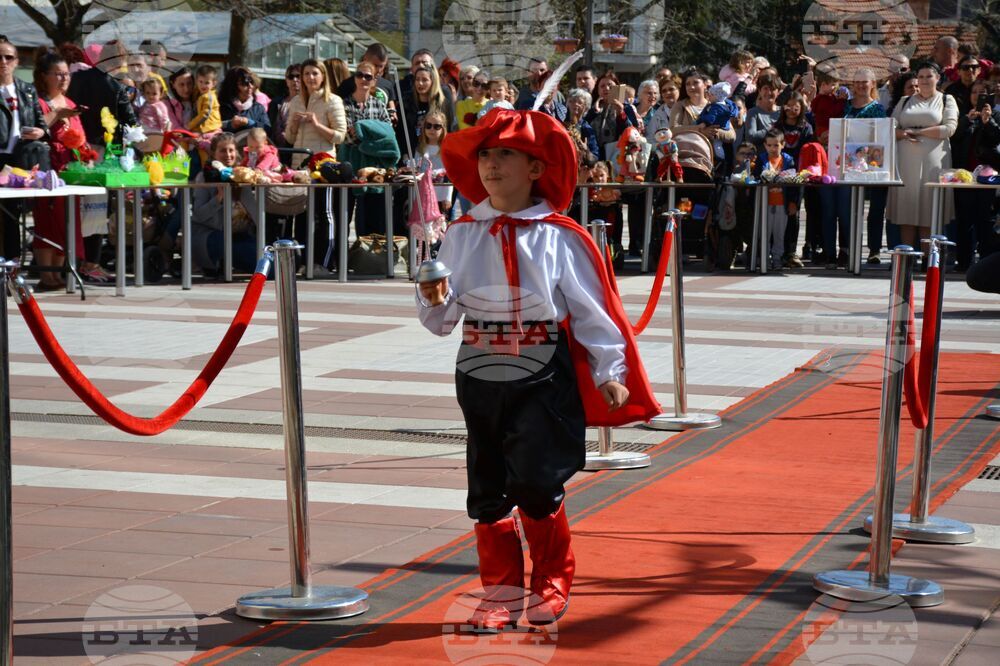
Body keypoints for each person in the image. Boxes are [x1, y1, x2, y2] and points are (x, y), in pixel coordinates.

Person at [419, 107, 659, 633]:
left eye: (505, 153)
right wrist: (433, 295)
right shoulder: (460, 234)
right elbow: (442, 321)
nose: (491, 164)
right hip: (478, 367)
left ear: (535, 168)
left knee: (536, 478)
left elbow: (594, 310)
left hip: (541, 369)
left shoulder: (559, 236)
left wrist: (608, 370)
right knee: (486, 485)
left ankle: (552, 579)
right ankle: (500, 593)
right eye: (484, 154)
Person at [285, 58, 347, 274]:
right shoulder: (295, 102)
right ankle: (304, 261)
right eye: (306, 74)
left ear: (322, 76)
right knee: (301, 216)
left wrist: (317, 124)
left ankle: (325, 262)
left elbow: (340, 135)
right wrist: (292, 124)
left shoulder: (333, 101)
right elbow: (289, 138)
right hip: (299, 166)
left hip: (323, 167)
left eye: (314, 73)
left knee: (324, 215)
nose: (310, 78)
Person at [891, 62, 958, 250]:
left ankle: (928, 258)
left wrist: (918, 132)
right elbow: (891, 127)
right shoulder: (904, 100)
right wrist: (903, 134)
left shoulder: (947, 100)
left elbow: (949, 128)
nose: (924, 80)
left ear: (937, 78)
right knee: (907, 208)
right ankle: (906, 256)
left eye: (929, 76)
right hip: (905, 162)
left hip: (934, 162)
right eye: (921, 77)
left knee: (930, 208)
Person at [0, 36, 48, 261]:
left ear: (17, 61)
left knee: (13, 214)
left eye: (8, 57)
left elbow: (42, 125)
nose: (3, 61)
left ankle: (12, 266)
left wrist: (40, 132)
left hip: (19, 162)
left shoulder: (27, 90)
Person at [189, 133, 259, 273]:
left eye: (231, 150)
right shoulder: (204, 177)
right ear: (214, 154)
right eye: (222, 150)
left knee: (269, 266)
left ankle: (233, 262)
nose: (228, 155)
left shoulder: (242, 176)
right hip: (212, 236)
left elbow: (255, 215)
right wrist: (218, 199)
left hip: (239, 236)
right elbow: (198, 215)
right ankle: (214, 263)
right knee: (227, 243)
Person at [952, 81, 999, 271]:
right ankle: (963, 262)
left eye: (982, 93)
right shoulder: (964, 116)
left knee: (985, 220)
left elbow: (997, 138)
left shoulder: (995, 116)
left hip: (988, 178)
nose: (977, 96)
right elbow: (953, 139)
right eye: (974, 92)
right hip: (965, 177)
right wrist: (966, 121)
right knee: (964, 220)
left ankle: (986, 262)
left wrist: (989, 122)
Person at [844, 67, 888, 265]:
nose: (861, 85)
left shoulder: (878, 108)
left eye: (865, 81)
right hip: (849, 164)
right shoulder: (845, 106)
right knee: (851, 209)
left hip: (874, 164)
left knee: (876, 209)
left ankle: (874, 249)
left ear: (873, 84)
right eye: (857, 81)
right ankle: (848, 248)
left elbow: (882, 137)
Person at [67, 39, 136, 150]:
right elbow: (131, 121)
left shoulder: (75, 78)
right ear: (120, 62)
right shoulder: (118, 88)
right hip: (107, 145)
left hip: (77, 140)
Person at [754, 128, 799, 270]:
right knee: (765, 232)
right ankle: (764, 258)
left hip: (782, 203)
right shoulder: (761, 159)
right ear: (765, 145)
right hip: (765, 202)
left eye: (776, 145)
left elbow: (795, 184)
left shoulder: (788, 160)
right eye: (769, 145)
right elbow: (755, 179)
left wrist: (793, 203)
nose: (773, 148)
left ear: (783, 144)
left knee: (780, 233)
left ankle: (778, 258)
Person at [397, 62, 453, 158]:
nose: (420, 83)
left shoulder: (443, 103)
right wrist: (404, 154)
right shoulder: (406, 102)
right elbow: (401, 132)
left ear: (432, 81)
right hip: (412, 154)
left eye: (424, 80)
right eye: (417, 79)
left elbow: (449, 129)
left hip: (437, 153)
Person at [416, 110, 452, 218]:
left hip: (441, 196)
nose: (432, 129)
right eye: (428, 125)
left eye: (437, 126)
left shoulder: (447, 149)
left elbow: (450, 176)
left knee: (440, 228)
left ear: (443, 129)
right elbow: (417, 171)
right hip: (424, 195)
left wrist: (448, 197)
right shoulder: (420, 148)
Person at [219, 66, 270, 135]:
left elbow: (268, 130)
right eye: (244, 83)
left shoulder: (258, 108)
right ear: (233, 86)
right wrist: (230, 124)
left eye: (251, 82)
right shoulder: (220, 106)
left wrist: (249, 122)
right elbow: (211, 127)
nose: (250, 86)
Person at [268, 64, 300, 156]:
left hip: (299, 149)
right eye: (291, 77)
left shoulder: (309, 102)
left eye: (298, 76)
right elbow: (270, 127)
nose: (295, 80)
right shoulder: (276, 102)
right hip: (278, 150)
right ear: (286, 81)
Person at [741, 75, 780, 150]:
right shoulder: (753, 112)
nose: (769, 92)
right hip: (760, 158)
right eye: (765, 88)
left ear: (778, 92)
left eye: (772, 89)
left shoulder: (782, 112)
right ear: (760, 91)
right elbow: (750, 137)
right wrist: (771, 128)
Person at [644, 74, 680, 142]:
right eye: (664, 91)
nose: (668, 93)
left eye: (671, 89)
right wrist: (660, 147)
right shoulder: (657, 115)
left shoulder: (687, 109)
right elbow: (649, 139)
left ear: (679, 90)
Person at [189, 64, 221, 135]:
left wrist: (190, 125)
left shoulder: (208, 97)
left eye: (207, 83)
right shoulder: (201, 94)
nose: (203, 85)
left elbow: (205, 114)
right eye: (201, 82)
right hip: (207, 126)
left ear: (214, 83)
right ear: (196, 81)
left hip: (210, 127)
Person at [165, 67, 195, 133]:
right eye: (181, 84)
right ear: (173, 85)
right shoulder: (168, 105)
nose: (186, 89)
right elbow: (174, 127)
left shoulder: (200, 101)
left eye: (189, 83)